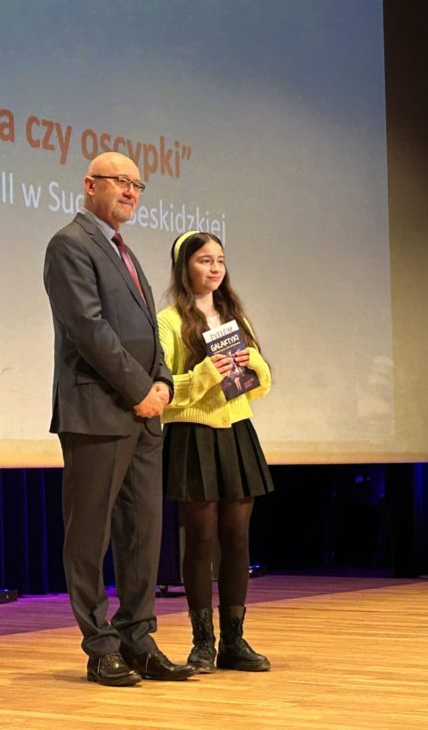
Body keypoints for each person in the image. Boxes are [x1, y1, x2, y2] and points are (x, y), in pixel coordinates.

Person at [43, 152, 195, 687]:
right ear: (90, 185)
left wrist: (163, 383)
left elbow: (148, 331)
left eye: (137, 184)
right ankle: (100, 646)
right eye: (120, 182)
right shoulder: (70, 244)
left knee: (142, 534)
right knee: (89, 536)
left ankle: (138, 638)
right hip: (98, 412)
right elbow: (88, 329)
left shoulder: (124, 251)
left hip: (144, 415)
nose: (131, 192)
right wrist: (139, 390)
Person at [158, 230, 274, 672]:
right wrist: (205, 374)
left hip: (237, 431)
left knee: (237, 538)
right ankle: (202, 642)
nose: (215, 268)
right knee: (201, 538)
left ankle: (235, 641)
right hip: (193, 434)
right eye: (205, 260)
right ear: (184, 266)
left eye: (220, 260)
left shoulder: (233, 317)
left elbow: (260, 386)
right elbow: (161, 388)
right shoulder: (168, 320)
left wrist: (252, 363)